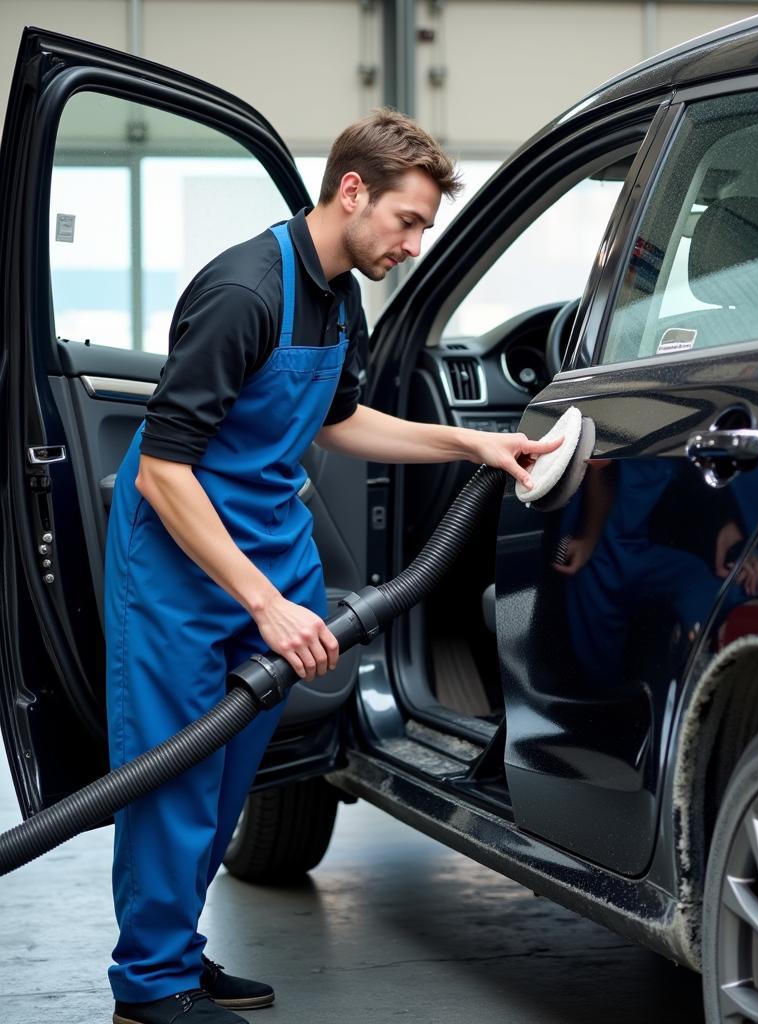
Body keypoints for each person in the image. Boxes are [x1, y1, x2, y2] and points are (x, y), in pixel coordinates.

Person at [104, 109, 559, 1024]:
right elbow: (161, 468)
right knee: (175, 774)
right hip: (181, 563)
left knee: (234, 770)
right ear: (352, 191)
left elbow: (339, 419)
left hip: (264, 537)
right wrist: (267, 604)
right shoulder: (244, 290)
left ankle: (178, 955)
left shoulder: (340, 289)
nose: (416, 243)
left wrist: (471, 444)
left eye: (425, 226)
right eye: (408, 220)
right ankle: (147, 985)